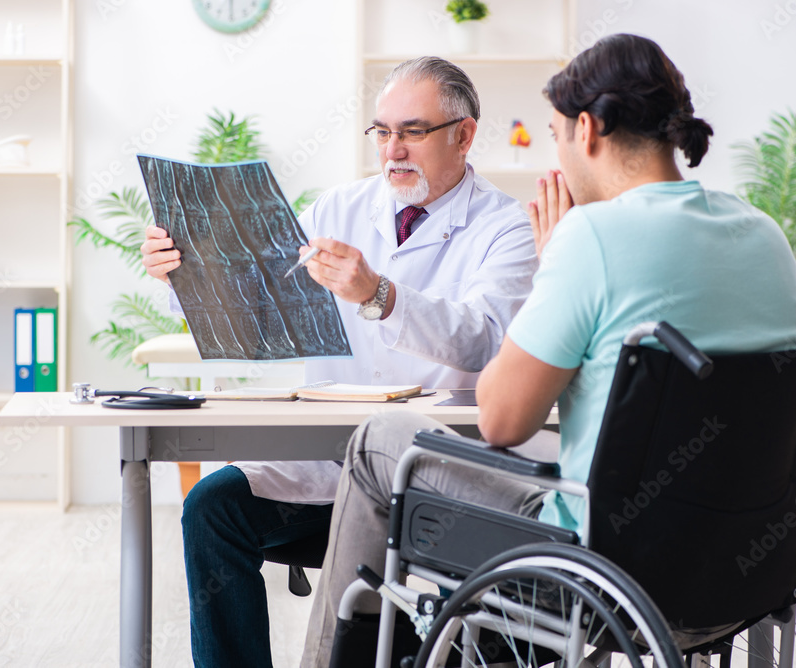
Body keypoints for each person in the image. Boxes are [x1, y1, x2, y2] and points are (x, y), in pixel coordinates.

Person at [300, 33, 796, 666]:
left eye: (556, 133)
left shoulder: (588, 239)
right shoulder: (766, 235)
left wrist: (551, 271)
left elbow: (500, 419)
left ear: (588, 130)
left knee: (380, 438)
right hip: (745, 562)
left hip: (608, 563)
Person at [140, 56, 540, 667]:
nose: (393, 149)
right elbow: (264, 307)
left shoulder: (506, 227)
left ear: (463, 134)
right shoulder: (340, 208)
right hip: (323, 469)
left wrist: (379, 295)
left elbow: (484, 340)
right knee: (211, 510)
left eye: (412, 131)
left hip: (435, 481)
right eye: (381, 132)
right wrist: (182, 271)